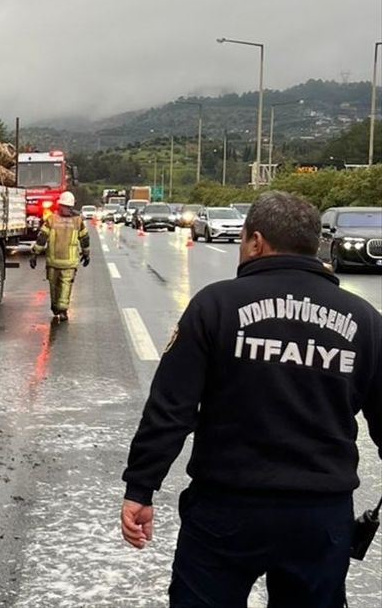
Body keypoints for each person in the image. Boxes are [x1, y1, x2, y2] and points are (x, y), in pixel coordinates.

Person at [120, 191, 382, 607]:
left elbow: (171, 410)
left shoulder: (215, 306)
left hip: (226, 510)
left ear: (256, 242)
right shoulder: (364, 320)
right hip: (319, 517)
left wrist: (141, 488)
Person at [28, 190, 90, 323]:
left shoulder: (52, 219)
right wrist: (86, 254)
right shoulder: (78, 221)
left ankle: (58, 309)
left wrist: (34, 254)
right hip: (69, 263)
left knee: (54, 286)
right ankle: (62, 310)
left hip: (53, 262)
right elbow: (85, 239)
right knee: (65, 286)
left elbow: (41, 238)